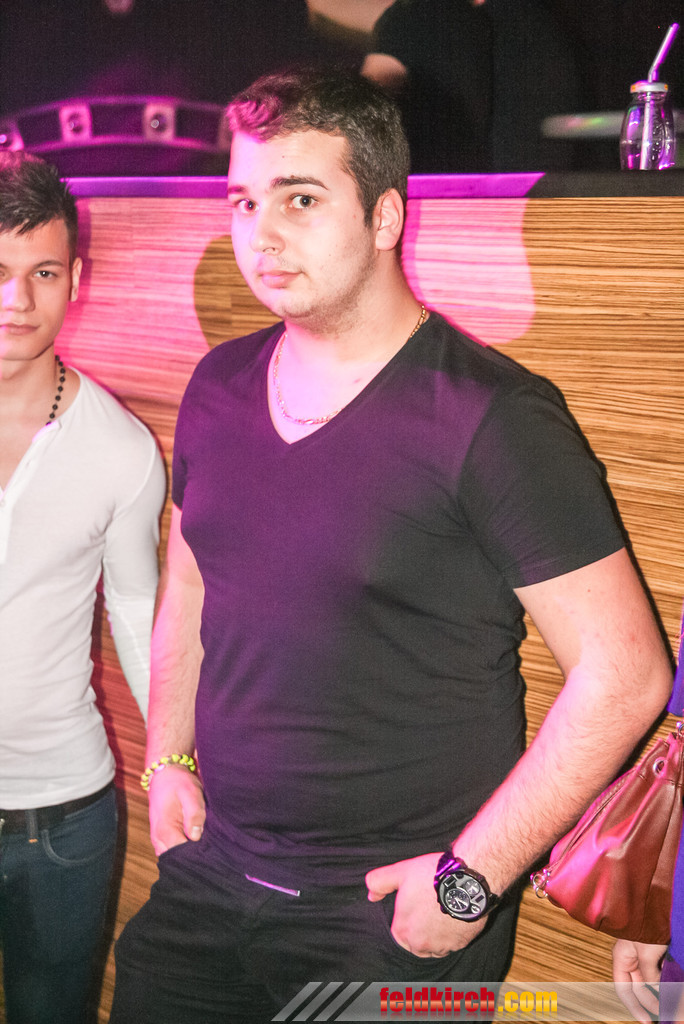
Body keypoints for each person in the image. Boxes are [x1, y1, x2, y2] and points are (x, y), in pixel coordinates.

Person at [110, 68, 672, 1023]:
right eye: (244, 201)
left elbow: (626, 675)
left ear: (385, 217)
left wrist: (469, 880)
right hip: (213, 875)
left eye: (300, 199)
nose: (261, 234)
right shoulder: (217, 385)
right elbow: (192, 584)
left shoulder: (492, 417)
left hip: (389, 913)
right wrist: (168, 758)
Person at [0, 152, 166, 1024]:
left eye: (42, 272)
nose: (17, 300)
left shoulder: (119, 448)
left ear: (76, 279)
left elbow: (137, 616)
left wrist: (179, 763)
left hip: (61, 822)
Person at [361, 0, 580, 172]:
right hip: (544, 204)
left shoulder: (414, 18)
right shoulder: (549, 25)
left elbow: (362, 122)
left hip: (440, 204)